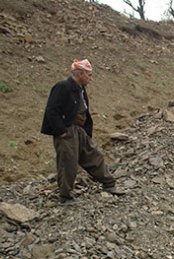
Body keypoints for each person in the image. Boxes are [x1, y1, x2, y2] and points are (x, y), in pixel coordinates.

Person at [41, 59, 124, 205]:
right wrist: (61, 131)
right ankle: (65, 196)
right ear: (80, 74)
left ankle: (109, 183)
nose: (91, 79)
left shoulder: (80, 89)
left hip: (79, 130)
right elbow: (52, 110)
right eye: (89, 75)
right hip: (67, 130)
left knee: (94, 155)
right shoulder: (63, 87)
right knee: (68, 162)